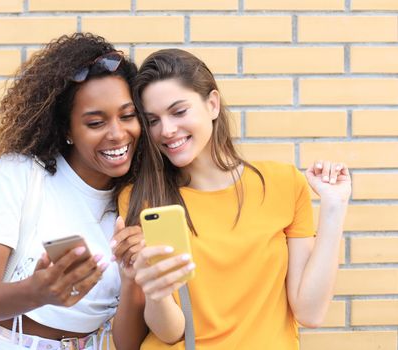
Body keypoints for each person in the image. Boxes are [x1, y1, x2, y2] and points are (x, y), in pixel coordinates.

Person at [116, 49, 351, 349]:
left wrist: (334, 206)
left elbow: (310, 312)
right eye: (153, 120)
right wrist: (155, 290)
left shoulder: (283, 184)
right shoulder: (142, 200)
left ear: (212, 104)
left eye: (178, 111)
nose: (167, 130)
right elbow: (171, 332)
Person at [0, 32, 145, 350]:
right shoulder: (18, 175)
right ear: (67, 131)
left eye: (127, 116)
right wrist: (38, 291)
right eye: (95, 123)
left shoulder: (137, 199)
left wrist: (133, 277)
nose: (118, 134)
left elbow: (129, 340)